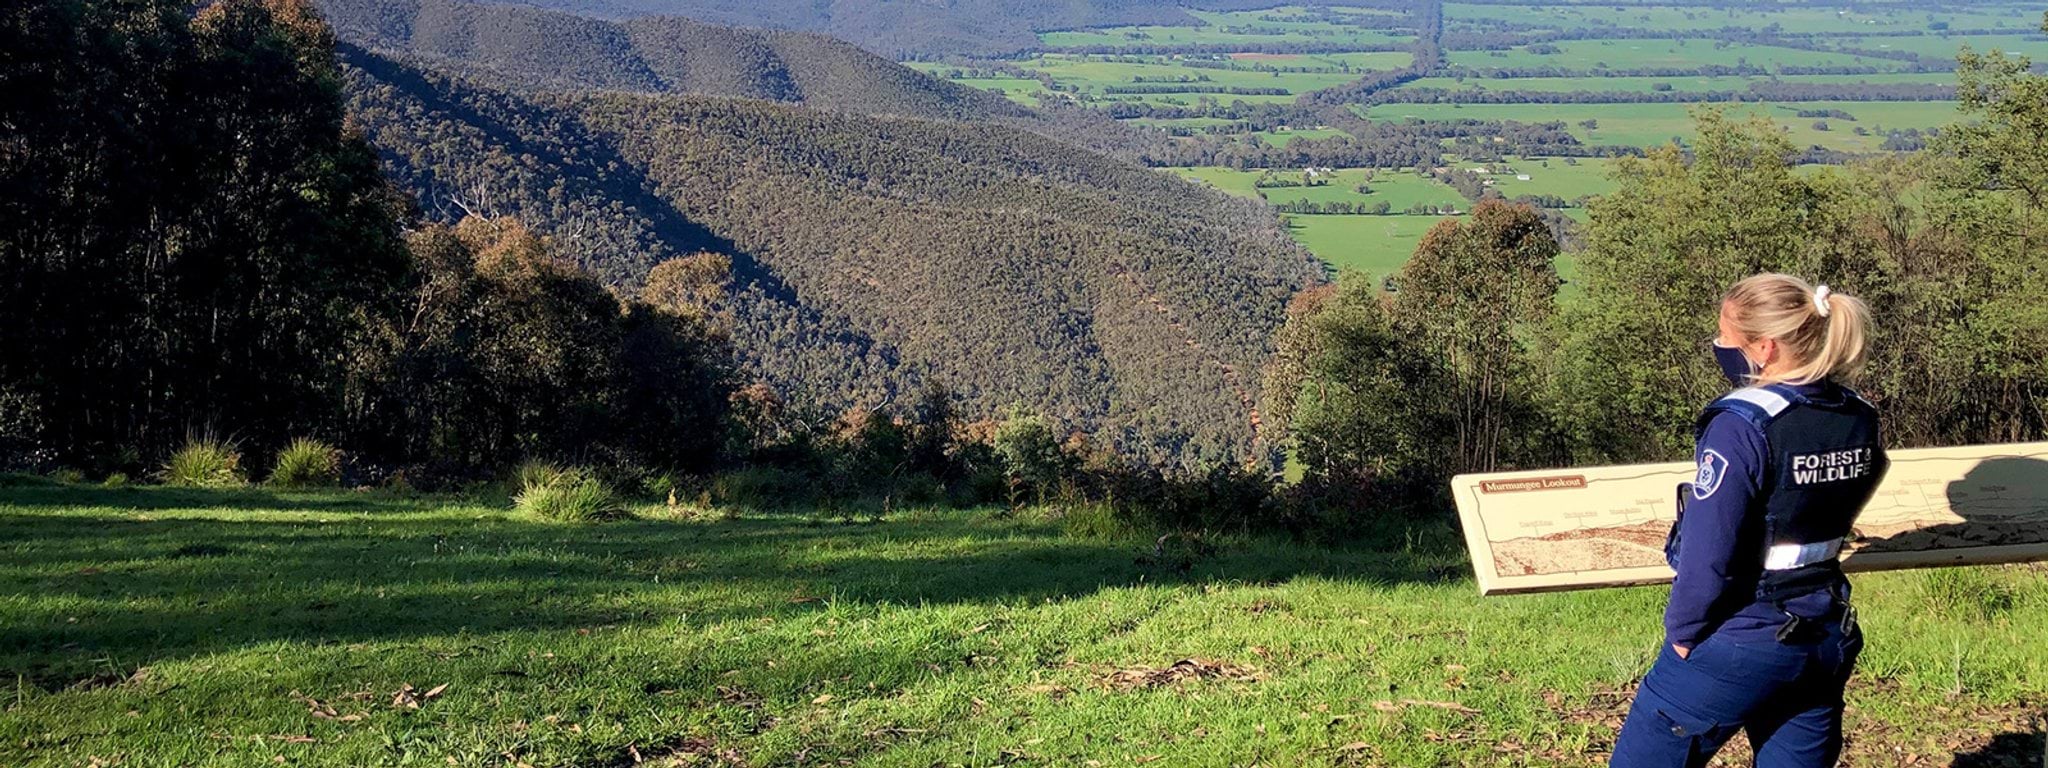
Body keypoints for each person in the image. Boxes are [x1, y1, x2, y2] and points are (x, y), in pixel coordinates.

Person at [1610, 274, 1890, 768]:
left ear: (1763, 347)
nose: (1719, 347)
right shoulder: (1858, 415)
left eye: (1725, 338)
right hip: (1824, 634)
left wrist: (1683, 634)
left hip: (1742, 635)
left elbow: (1708, 552)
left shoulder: (1741, 425)